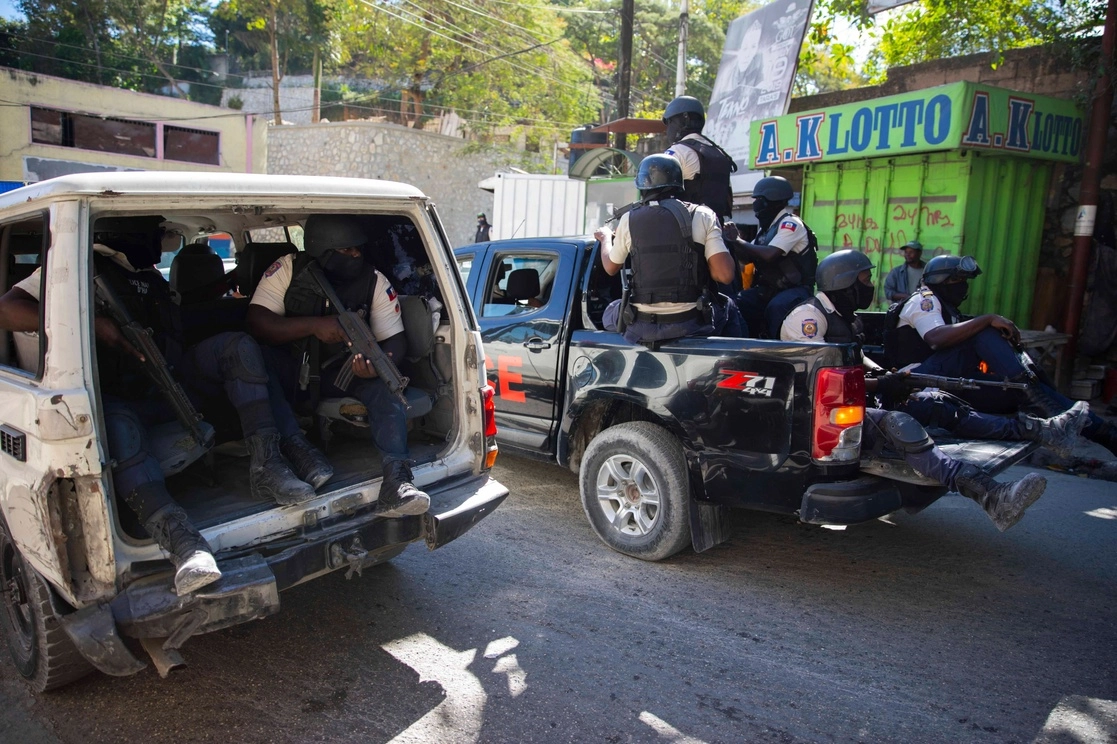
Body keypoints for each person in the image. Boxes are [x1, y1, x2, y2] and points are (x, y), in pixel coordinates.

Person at [0, 219, 330, 595]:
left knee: (238, 347)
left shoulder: (149, 278)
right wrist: (93, 324)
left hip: (168, 380)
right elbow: (7, 309)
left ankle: (267, 466)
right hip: (114, 397)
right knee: (120, 426)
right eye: (157, 234)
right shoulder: (78, 267)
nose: (162, 243)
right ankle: (183, 542)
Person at [779, 250, 1083, 532]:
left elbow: (857, 359)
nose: (870, 285)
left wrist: (889, 376)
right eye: (865, 279)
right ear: (844, 282)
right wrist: (882, 384)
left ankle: (1041, 431)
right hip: (823, 411)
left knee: (936, 403)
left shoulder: (845, 317)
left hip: (858, 398)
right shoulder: (808, 318)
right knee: (899, 425)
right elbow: (821, 378)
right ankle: (992, 496)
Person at [245, 214, 430, 518]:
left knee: (387, 388)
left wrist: (378, 364)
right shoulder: (289, 269)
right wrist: (314, 326)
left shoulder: (374, 280)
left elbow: (395, 339)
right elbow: (258, 322)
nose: (355, 255)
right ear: (322, 249)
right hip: (291, 367)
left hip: (341, 372)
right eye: (346, 250)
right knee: (255, 360)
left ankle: (397, 479)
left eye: (358, 248)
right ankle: (297, 449)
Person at [888, 254, 1117, 454]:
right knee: (985, 330)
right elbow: (936, 339)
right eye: (958, 280)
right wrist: (988, 319)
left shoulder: (948, 308)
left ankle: (1105, 434)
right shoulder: (924, 300)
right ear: (941, 280)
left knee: (1019, 391)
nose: (963, 286)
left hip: (950, 381)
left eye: (965, 281)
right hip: (917, 381)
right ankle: (1043, 400)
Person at [594, 154, 740, 344]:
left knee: (610, 311)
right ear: (679, 184)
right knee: (729, 306)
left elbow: (610, 267)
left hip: (642, 326)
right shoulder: (703, 215)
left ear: (642, 186)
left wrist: (605, 237)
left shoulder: (629, 219)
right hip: (690, 324)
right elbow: (725, 275)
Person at [728, 175, 817, 338]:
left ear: (771, 200)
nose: (755, 204)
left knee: (776, 308)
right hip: (769, 289)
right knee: (734, 303)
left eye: (758, 199)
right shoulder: (766, 229)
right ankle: (744, 345)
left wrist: (737, 240)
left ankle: (775, 348)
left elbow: (770, 254)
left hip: (796, 290)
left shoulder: (790, 224)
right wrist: (730, 241)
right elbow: (747, 258)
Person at [661, 96, 737, 223]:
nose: (668, 129)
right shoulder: (720, 153)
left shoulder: (678, 151)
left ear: (682, 120)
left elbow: (657, 195)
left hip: (687, 227)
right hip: (717, 226)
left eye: (670, 122)